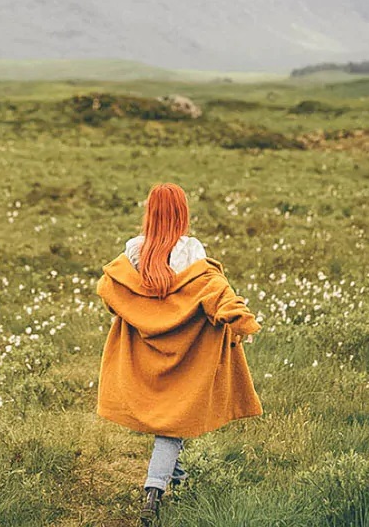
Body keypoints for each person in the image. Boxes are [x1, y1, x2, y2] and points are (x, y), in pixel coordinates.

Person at [96, 182, 262, 525]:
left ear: (150, 213)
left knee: (176, 423)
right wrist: (240, 319)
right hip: (187, 356)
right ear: (181, 214)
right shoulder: (192, 251)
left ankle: (181, 483)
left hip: (147, 356)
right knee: (173, 426)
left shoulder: (132, 251)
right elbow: (216, 292)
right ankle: (153, 491)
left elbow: (110, 292)